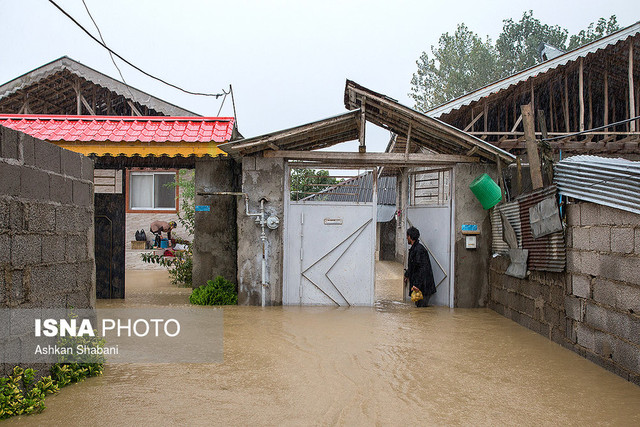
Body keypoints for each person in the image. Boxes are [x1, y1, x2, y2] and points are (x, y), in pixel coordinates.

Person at [404, 226, 436, 307]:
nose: (406, 238)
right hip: (420, 286)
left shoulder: (419, 250)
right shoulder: (414, 249)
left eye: (407, 236)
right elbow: (413, 265)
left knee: (421, 310)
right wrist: (407, 274)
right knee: (419, 311)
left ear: (410, 237)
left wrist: (417, 285)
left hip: (423, 287)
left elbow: (422, 269)